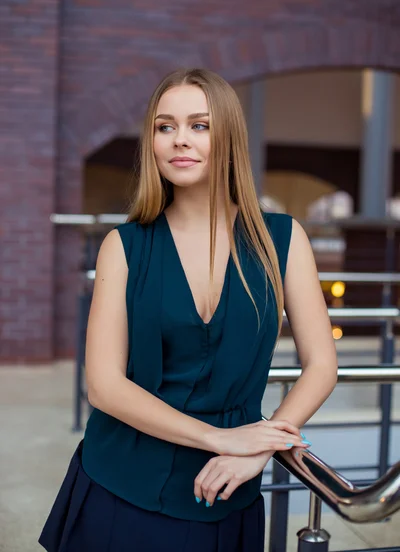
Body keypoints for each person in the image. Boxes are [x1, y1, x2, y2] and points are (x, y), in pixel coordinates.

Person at [39, 68, 338, 552]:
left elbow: (322, 365)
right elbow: (104, 386)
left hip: (227, 491)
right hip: (121, 483)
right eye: (165, 126)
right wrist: (221, 440)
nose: (180, 140)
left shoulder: (282, 239)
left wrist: (262, 445)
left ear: (228, 138)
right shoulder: (124, 246)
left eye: (199, 125)